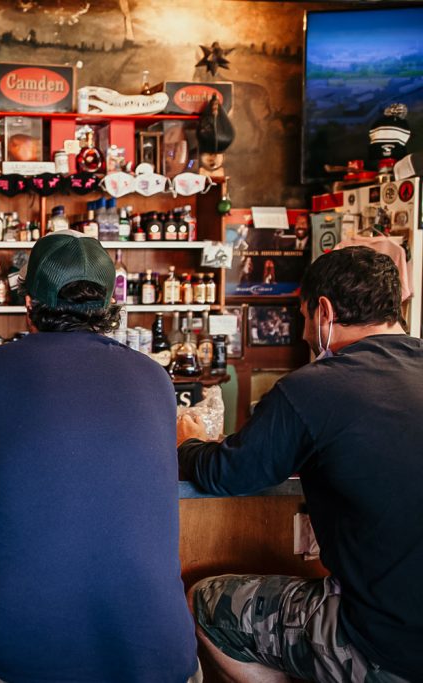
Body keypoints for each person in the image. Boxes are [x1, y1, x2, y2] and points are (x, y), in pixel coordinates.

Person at [0, 233, 198, 683]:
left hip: (23, 661)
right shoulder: (155, 377)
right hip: (163, 661)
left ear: (28, 303)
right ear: (109, 305)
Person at [178, 247, 422, 683]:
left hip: (383, 645)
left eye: (305, 315)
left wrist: (189, 444)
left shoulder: (314, 388)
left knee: (208, 603)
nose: (306, 332)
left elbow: (229, 474)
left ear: (324, 312)